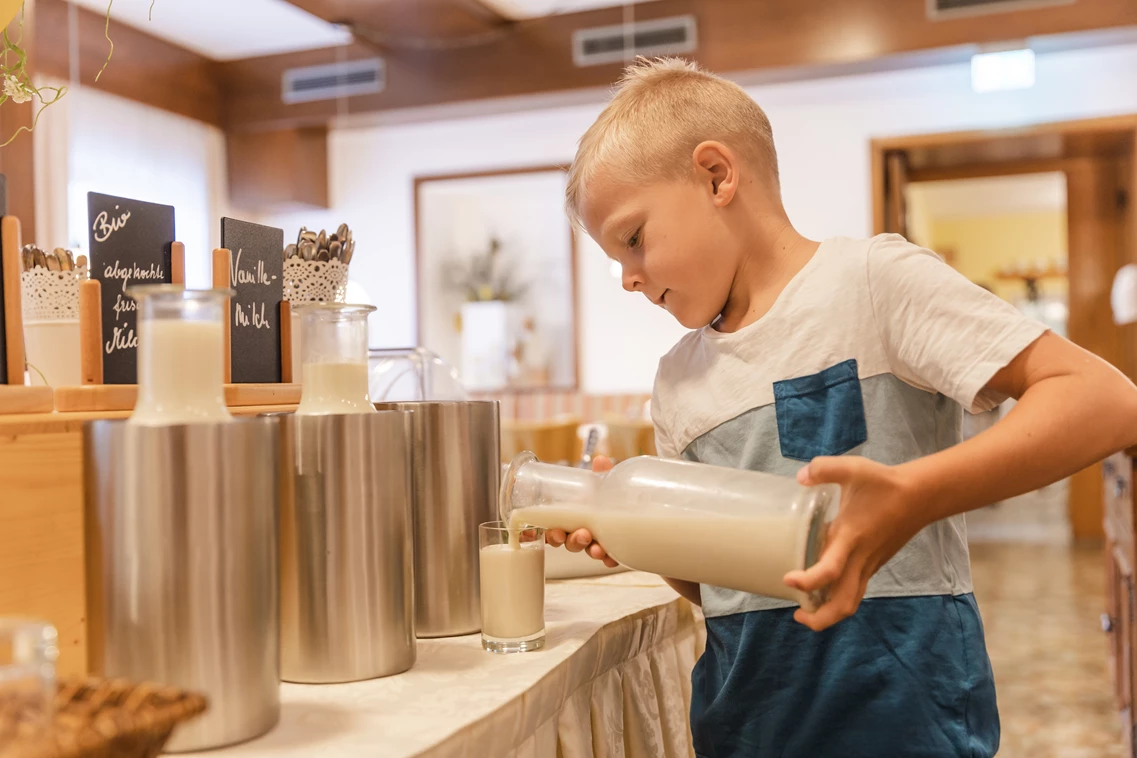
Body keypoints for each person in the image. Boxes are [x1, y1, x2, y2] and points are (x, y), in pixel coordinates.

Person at [546, 56, 1137, 757]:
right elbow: (726, 587)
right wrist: (636, 537)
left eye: (632, 238)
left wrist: (913, 493)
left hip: (904, 723)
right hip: (746, 730)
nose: (627, 278)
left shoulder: (872, 282)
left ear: (715, 176)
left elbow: (1105, 401)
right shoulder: (678, 380)